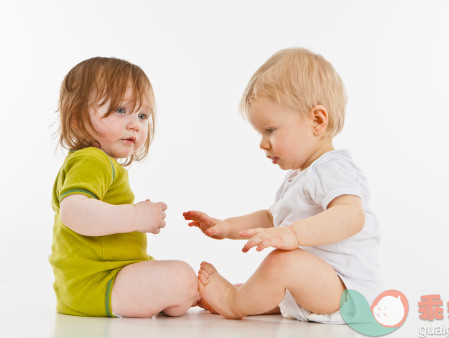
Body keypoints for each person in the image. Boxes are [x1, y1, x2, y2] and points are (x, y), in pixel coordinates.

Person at [184, 48, 382, 324]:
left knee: (282, 262)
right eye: (260, 133)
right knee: (278, 268)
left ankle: (233, 302)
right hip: (318, 287)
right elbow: (270, 218)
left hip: (346, 292)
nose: (262, 143)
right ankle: (249, 298)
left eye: (270, 130)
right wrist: (227, 226)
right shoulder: (299, 177)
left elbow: (352, 215)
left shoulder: (333, 169)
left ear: (317, 121)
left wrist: (292, 235)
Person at [49, 57, 198, 318]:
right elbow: (73, 212)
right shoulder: (90, 160)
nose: (135, 124)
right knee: (181, 277)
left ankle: (197, 295)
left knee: (182, 280)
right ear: (76, 118)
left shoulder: (100, 163)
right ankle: (193, 294)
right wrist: (135, 217)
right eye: (120, 110)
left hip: (106, 278)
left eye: (142, 115)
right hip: (96, 284)